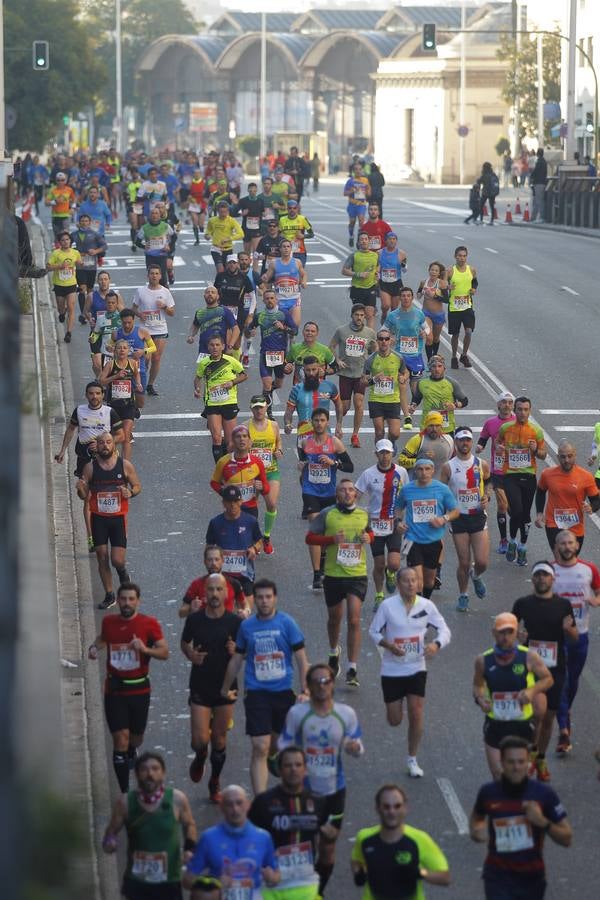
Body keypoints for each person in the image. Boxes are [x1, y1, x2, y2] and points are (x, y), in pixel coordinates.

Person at [278, 663, 365, 896]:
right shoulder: (298, 714)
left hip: (334, 790)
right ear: (308, 685)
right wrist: (295, 764)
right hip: (303, 791)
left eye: (326, 681)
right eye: (316, 682)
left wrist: (354, 747)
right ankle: (304, 891)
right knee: (304, 845)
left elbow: (358, 747)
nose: (321, 686)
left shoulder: (346, 714)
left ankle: (318, 891)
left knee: (328, 846)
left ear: (332, 684)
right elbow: (283, 744)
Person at [220, 579, 309, 795]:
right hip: (256, 692)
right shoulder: (247, 627)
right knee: (259, 745)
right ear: (256, 600)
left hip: (283, 692)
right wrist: (224, 688)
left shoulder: (287, 623)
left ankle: (273, 756)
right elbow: (236, 659)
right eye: (259, 597)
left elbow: (301, 660)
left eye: (268, 597)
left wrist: (306, 690)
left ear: (275, 598)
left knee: (278, 744)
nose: (264, 601)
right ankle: (261, 801)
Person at [369, 567, 451, 777]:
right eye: (406, 581)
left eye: (414, 580)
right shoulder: (388, 607)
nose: (411, 584)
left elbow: (444, 630)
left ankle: (412, 759)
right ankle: (399, 705)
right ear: (398, 584)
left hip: (416, 667)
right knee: (395, 719)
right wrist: (388, 646)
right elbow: (373, 631)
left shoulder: (427, 606)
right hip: (392, 669)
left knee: (416, 712)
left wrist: (436, 645)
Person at [470, 735, 572, 900]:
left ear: (529, 764)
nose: (516, 767)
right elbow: (476, 817)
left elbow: (567, 838)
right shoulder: (488, 793)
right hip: (497, 876)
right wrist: (477, 831)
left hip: (531, 878)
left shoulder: (544, 795)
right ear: (502, 763)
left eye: (521, 762)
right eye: (511, 762)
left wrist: (542, 822)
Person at [89, 584, 168, 792]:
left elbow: (164, 652)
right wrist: (94, 647)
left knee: (135, 737)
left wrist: (145, 649)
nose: (126, 603)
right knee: (119, 739)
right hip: (114, 689)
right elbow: (104, 639)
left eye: (131, 599)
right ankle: (124, 793)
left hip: (139, 689)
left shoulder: (148, 624)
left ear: (138, 601)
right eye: (123, 599)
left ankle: (133, 749)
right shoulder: (109, 622)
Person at [512, 561, 578, 782]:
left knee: (549, 717)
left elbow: (574, 636)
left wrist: (568, 630)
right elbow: (508, 631)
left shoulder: (563, 606)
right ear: (533, 579)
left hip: (556, 667)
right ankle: (530, 753)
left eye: (545, 575)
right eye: (538, 575)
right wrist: (517, 638)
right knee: (538, 711)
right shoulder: (523, 604)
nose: (541, 579)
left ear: (552, 579)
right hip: (531, 669)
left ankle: (539, 757)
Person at [180, 573, 242, 802]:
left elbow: (244, 654)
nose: (214, 594)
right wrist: (190, 655)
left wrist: (236, 650)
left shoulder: (235, 623)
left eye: (219, 590)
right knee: (199, 741)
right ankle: (199, 756)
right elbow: (184, 643)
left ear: (226, 593)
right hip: (201, 683)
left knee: (219, 740)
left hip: (226, 686)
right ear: (204, 593)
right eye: (211, 590)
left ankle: (215, 781)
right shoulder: (195, 620)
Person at [102, 751, 196, 900]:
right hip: (137, 882)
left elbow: (189, 824)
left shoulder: (177, 800)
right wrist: (110, 842)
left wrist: (190, 848)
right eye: (144, 769)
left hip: (169, 881)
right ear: (137, 774)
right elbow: (110, 832)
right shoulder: (125, 803)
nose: (150, 774)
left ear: (163, 773)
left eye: (155, 769)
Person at [306, 480, 372, 687]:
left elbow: (370, 533)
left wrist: (368, 537)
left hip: (357, 573)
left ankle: (352, 667)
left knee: (353, 619)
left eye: (351, 489)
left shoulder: (363, 514)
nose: (347, 493)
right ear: (337, 494)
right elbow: (310, 538)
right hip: (334, 574)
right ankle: (334, 652)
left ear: (355, 494)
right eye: (343, 490)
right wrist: (331, 540)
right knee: (335, 618)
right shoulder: (327, 514)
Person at [473, 612, 553, 780]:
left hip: (521, 724)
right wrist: (481, 700)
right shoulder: (483, 660)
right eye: (501, 632)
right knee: (498, 775)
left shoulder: (529, 656)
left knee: (519, 777)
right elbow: (477, 686)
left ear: (516, 633)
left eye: (510, 632)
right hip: (495, 723)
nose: (505, 637)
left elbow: (548, 679)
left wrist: (532, 691)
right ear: (493, 633)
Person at [249, 745, 333, 900]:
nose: (293, 769)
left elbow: (327, 849)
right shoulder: (263, 803)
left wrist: (321, 882)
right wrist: (261, 870)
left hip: (306, 884)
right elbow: (248, 843)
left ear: (306, 769)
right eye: (288, 765)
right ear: (279, 770)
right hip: (271, 885)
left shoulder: (319, 802)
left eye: (298, 765)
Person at [54, 380, 124, 551]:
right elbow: (71, 429)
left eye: (98, 393)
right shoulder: (79, 411)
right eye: (91, 394)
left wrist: (104, 443)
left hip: (107, 460)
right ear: (86, 395)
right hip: (85, 460)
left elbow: (121, 435)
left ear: (102, 395)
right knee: (87, 499)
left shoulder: (110, 412)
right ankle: (92, 538)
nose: (94, 397)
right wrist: (62, 450)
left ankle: (114, 532)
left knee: (110, 497)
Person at [77, 432, 141, 609]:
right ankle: (110, 594)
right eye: (101, 443)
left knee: (117, 560)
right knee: (102, 557)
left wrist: (131, 492)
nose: (105, 445)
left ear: (114, 445)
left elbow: (137, 486)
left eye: (108, 442)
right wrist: (81, 488)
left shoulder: (125, 466)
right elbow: (83, 496)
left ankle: (122, 573)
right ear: (97, 446)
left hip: (118, 519)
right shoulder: (90, 468)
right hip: (99, 518)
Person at [352, 784, 450, 898]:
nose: (392, 812)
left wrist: (419, 873)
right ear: (377, 809)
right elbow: (356, 860)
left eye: (397, 806)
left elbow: (445, 877)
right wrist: (360, 872)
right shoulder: (364, 838)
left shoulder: (420, 840)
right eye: (386, 807)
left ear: (405, 808)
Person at [551, 530, 600, 756]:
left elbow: (599, 592)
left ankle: (565, 712)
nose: (567, 546)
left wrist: (595, 600)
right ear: (556, 547)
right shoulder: (549, 571)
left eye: (571, 542)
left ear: (577, 546)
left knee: (572, 682)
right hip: (556, 638)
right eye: (563, 543)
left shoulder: (589, 570)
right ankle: (564, 730)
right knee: (561, 682)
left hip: (580, 636)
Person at [183, 785, 280, 893]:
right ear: (221, 807)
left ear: (248, 805)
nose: (235, 809)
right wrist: (214, 883)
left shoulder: (263, 837)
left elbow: (276, 875)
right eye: (229, 804)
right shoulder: (208, 838)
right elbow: (187, 881)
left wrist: (272, 877)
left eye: (239, 803)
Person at [299, 409, 354, 590]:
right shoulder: (305, 442)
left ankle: (324, 565)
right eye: (316, 420)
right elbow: (302, 462)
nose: (319, 423)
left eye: (322, 420)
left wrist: (334, 463)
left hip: (329, 493)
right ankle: (316, 574)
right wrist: (302, 465)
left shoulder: (335, 443)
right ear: (312, 422)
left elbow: (350, 467)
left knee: (329, 532)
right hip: (310, 491)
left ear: (327, 422)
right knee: (315, 529)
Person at [440, 427, 491, 612]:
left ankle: (476, 576)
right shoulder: (448, 467)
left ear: (471, 441)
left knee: (482, 561)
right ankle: (463, 594)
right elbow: (442, 491)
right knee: (464, 561)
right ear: (456, 442)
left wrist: (487, 496)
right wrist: (444, 513)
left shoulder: (481, 464)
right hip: (459, 518)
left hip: (477, 516)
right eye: (461, 440)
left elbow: (489, 481)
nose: (465, 443)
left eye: (468, 440)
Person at [395, 458, 459, 597]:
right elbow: (398, 508)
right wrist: (398, 522)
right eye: (420, 469)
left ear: (433, 470)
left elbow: (455, 511)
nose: (424, 473)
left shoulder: (442, 489)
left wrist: (443, 519)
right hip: (412, 540)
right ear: (415, 471)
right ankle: (418, 609)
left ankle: (426, 602)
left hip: (433, 540)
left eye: (427, 469)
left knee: (429, 581)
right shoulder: (407, 489)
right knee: (417, 581)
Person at [355, 439, 409, 606]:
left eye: (388, 452)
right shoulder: (368, 474)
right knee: (379, 564)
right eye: (382, 453)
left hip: (393, 522)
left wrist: (403, 519)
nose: (385, 456)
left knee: (393, 563)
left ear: (393, 453)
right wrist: (356, 518)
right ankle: (379, 594)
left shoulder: (401, 472)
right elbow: (356, 495)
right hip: (375, 524)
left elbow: (407, 495)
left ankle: (391, 573)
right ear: (376, 454)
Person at [498, 396, 546, 566]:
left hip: (529, 477)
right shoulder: (505, 428)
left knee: (525, 514)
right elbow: (498, 444)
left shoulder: (536, 431)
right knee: (516, 510)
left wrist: (535, 450)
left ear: (529, 411)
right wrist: (500, 449)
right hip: (510, 475)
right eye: (519, 409)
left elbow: (543, 454)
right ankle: (512, 541)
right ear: (514, 410)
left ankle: (523, 546)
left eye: (526, 409)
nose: (522, 412)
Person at [534, 440, 600, 550]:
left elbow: (596, 500)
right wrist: (539, 513)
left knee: (571, 559)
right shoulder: (547, 474)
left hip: (576, 527)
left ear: (575, 455)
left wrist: (591, 507)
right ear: (558, 457)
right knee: (561, 555)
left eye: (570, 456)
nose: (566, 460)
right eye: (563, 457)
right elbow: (540, 491)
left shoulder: (586, 477)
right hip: (553, 524)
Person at [329, 303, 377, 448]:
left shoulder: (370, 333)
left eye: (362, 315)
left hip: (361, 373)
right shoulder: (341, 331)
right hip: (345, 373)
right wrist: (337, 360)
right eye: (357, 315)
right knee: (345, 406)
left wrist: (371, 369)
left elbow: (374, 350)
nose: (359, 318)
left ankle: (355, 435)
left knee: (359, 402)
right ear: (352, 315)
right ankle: (338, 425)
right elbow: (331, 346)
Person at [205, 485, 263, 606]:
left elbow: (259, 540)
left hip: (245, 574)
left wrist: (254, 548)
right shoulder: (215, 523)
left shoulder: (250, 521)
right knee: (224, 613)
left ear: (241, 501)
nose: (233, 505)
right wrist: (212, 564)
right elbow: (209, 546)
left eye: (236, 501)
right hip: (222, 575)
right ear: (223, 503)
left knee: (245, 614)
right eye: (229, 501)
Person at [194, 335, 247, 462]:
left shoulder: (231, 360)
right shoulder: (204, 363)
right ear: (208, 347)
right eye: (212, 345)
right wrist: (197, 389)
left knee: (230, 442)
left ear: (223, 347)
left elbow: (244, 375)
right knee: (217, 438)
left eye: (218, 345)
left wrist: (233, 382)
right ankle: (220, 468)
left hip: (229, 402)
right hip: (212, 403)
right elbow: (197, 379)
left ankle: (229, 465)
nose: (215, 348)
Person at [244, 288, 297, 414]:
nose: (270, 300)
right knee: (267, 384)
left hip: (281, 354)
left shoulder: (283, 314)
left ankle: (267, 393)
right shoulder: (260, 316)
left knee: (278, 385)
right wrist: (250, 331)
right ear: (263, 300)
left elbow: (295, 331)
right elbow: (247, 330)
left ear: (276, 299)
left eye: (272, 298)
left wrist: (283, 327)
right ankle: (269, 413)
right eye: (267, 298)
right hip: (265, 354)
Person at [476, 391, 516, 554]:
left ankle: (514, 537)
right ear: (498, 405)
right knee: (502, 505)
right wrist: (479, 447)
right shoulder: (490, 423)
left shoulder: (518, 421)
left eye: (509, 403)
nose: (507, 405)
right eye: (504, 402)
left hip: (516, 470)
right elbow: (483, 439)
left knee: (515, 510)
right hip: (498, 470)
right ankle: (503, 540)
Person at [246, 395, 284, 555]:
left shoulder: (274, 425)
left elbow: (279, 441)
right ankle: (255, 539)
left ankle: (266, 536)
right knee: (250, 508)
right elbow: (234, 447)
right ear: (251, 409)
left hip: (270, 471)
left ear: (266, 407)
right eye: (255, 407)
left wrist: (279, 450)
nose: (258, 410)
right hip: (251, 474)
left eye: (261, 407)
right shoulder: (245, 427)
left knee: (271, 504)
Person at [132, 263, 176, 397]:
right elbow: (133, 308)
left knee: (156, 358)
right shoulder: (141, 291)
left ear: (160, 276)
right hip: (145, 331)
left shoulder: (165, 292)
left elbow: (172, 312)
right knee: (146, 357)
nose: (154, 276)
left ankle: (150, 384)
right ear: (148, 275)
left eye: (157, 274)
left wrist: (164, 307)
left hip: (160, 330)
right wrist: (140, 315)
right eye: (152, 273)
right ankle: (141, 382)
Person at [284, 357, 343, 452]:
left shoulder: (329, 386)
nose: (311, 373)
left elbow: (339, 405)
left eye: (313, 369)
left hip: (325, 435)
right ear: (303, 370)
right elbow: (289, 411)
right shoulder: (296, 389)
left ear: (319, 369)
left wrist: (339, 425)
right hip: (304, 436)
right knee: (305, 466)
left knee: (326, 463)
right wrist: (287, 424)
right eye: (308, 370)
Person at [363, 328, 411, 445]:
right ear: (377, 341)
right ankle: (380, 452)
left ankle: (390, 445)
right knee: (379, 433)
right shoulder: (370, 360)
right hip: (376, 399)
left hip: (393, 399)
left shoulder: (398, 357)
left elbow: (406, 372)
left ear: (390, 341)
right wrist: (374, 379)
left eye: (386, 339)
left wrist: (404, 378)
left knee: (395, 433)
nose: (384, 341)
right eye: (381, 339)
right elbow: (363, 381)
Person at [210, 423, 269, 518]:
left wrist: (262, 487)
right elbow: (214, 482)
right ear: (232, 441)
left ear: (249, 441)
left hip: (251, 508)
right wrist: (223, 491)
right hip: (232, 508)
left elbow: (266, 488)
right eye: (238, 436)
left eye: (245, 436)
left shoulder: (257, 462)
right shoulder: (223, 461)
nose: (242, 439)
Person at [100, 339, 143, 460]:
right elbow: (101, 381)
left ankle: (125, 465)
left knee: (126, 436)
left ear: (129, 350)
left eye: (125, 348)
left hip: (128, 404)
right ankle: (109, 458)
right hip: (113, 406)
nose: (122, 350)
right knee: (115, 436)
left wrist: (139, 384)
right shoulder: (110, 365)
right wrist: (116, 376)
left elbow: (136, 375)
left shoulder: (133, 363)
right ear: (115, 350)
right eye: (119, 348)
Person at [179, 545, 248, 619]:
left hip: (227, 628)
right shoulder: (196, 584)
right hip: (203, 628)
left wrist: (245, 612)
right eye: (210, 560)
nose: (213, 563)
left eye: (216, 559)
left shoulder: (233, 583)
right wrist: (190, 609)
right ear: (205, 562)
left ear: (222, 561)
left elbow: (245, 605)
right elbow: (181, 613)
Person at [385, 286, 429, 398]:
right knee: (400, 385)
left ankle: (411, 409)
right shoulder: (393, 315)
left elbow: (427, 328)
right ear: (400, 298)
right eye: (403, 296)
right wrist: (389, 337)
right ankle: (400, 411)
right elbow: (382, 331)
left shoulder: (419, 314)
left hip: (415, 356)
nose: (406, 298)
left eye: (408, 296)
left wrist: (425, 333)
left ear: (412, 298)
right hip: (400, 356)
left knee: (415, 390)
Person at [409, 354, 468, 434]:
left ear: (444, 368)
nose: (437, 369)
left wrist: (455, 405)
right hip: (427, 426)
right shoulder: (422, 382)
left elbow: (464, 401)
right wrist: (413, 405)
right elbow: (417, 397)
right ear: (429, 368)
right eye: (434, 366)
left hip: (446, 428)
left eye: (440, 366)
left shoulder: (451, 383)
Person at [113, 308, 156, 412]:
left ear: (134, 320)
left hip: (139, 371)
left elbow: (153, 348)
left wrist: (143, 351)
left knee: (140, 403)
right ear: (121, 321)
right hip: (121, 371)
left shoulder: (142, 332)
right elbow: (109, 345)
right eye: (124, 323)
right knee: (121, 400)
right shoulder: (116, 333)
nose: (127, 325)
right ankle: (127, 414)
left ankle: (133, 407)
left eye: (129, 322)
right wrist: (109, 347)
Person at [186, 285, 238, 362]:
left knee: (220, 373)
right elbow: (195, 326)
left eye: (213, 292)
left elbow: (236, 329)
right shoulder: (200, 312)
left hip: (220, 350)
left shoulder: (224, 311)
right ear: (204, 296)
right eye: (208, 292)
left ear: (217, 296)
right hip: (204, 350)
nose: (210, 294)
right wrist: (191, 336)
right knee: (204, 373)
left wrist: (230, 346)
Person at [262, 238, 307, 330]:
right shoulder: (274, 263)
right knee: (280, 327)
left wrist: (304, 282)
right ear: (280, 249)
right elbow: (266, 278)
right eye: (284, 247)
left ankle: (292, 342)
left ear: (291, 249)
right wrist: (263, 281)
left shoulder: (297, 262)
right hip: (279, 299)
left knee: (294, 327)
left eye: (288, 246)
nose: (286, 249)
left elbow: (304, 274)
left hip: (294, 298)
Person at [70, 213, 107, 323]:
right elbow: (67, 246)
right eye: (82, 221)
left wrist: (95, 251)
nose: (84, 223)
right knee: (82, 289)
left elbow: (104, 246)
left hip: (91, 266)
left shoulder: (95, 234)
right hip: (80, 266)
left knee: (90, 292)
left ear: (89, 222)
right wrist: (75, 253)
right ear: (79, 222)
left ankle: (88, 312)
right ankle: (82, 314)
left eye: (86, 221)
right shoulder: (74, 234)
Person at [446, 246, 478, 369]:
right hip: (454, 307)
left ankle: (464, 355)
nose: (462, 258)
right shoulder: (450, 271)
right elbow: (442, 284)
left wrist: (474, 289)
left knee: (469, 332)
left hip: (467, 306)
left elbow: (475, 281)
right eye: (459, 256)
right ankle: (454, 356)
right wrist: (448, 287)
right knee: (455, 334)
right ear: (455, 256)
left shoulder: (472, 269)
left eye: (464, 256)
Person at [46, 230, 81, 342]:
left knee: (71, 307)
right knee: (61, 307)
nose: (65, 242)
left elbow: (80, 261)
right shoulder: (56, 253)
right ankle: (62, 313)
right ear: (59, 242)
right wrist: (59, 266)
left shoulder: (75, 252)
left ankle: (69, 333)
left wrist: (81, 263)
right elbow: (48, 267)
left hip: (71, 284)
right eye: (63, 240)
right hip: (59, 284)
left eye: (67, 240)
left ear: (70, 241)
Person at [398, 411, 453, 480]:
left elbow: (452, 461)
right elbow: (401, 461)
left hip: (439, 485)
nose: (434, 429)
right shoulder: (417, 439)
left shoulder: (449, 440)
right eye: (431, 426)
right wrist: (420, 460)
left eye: (437, 425)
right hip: (418, 483)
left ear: (441, 426)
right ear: (426, 426)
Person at [341, 231, 379, 330]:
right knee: (359, 316)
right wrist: (358, 274)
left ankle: (370, 338)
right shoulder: (354, 255)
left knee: (370, 315)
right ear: (358, 242)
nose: (364, 241)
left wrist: (376, 273)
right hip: (357, 289)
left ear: (369, 241)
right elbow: (344, 271)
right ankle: (359, 336)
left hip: (371, 287)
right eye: (361, 239)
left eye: (366, 239)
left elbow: (378, 266)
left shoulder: (375, 255)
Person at [416, 262, 449, 361]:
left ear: (439, 273)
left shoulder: (441, 283)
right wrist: (421, 293)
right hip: (426, 314)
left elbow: (446, 300)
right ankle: (430, 359)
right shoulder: (423, 282)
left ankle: (435, 356)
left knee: (435, 338)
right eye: (432, 270)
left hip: (438, 314)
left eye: (436, 271)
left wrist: (434, 296)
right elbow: (418, 295)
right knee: (429, 337)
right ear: (429, 271)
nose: (433, 272)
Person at [136, 205, 174, 286]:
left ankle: (166, 294)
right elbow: (137, 242)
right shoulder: (145, 228)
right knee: (152, 278)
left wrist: (168, 245)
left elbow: (174, 236)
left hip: (162, 256)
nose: (154, 215)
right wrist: (144, 246)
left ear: (160, 215)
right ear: (150, 215)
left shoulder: (165, 226)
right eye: (152, 213)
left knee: (162, 278)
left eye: (156, 213)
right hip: (150, 256)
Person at [205, 200, 245, 273]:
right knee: (220, 270)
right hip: (216, 248)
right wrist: (207, 235)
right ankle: (219, 284)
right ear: (218, 211)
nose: (223, 214)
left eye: (225, 212)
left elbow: (241, 234)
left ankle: (223, 283)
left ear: (228, 211)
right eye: (221, 212)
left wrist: (229, 238)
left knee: (229, 271)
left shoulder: (231, 221)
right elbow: (208, 231)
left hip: (228, 249)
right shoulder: (212, 220)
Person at [377, 231, 406, 322]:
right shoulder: (380, 253)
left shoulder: (401, 253)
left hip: (396, 283)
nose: (392, 241)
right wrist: (376, 275)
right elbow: (376, 267)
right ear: (386, 241)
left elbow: (405, 270)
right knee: (386, 306)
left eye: (394, 239)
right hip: (384, 283)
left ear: (396, 241)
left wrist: (403, 265)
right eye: (390, 239)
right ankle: (384, 314)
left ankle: (391, 326)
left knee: (394, 308)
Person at [278, 199, 314, 266]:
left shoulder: (302, 219)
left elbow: (312, 234)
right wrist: (281, 237)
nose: (292, 210)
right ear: (287, 209)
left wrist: (303, 236)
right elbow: (278, 234)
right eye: (290, 208)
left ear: (297, 209)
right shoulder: (282, 220)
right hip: (286, 251)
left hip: (299, 251)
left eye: (294, 208)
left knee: (299, 271)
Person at [344, 162, 370, 246]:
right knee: (352, 222)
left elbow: (369, 193)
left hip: (361, 204)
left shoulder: (365, 180)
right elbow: (345, 193)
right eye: (356, 169)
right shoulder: (350, 181)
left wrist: (366, 190)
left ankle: (360, 240)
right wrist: (352, 190)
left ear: (362, 170)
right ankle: (351, 236)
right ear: (353, 171)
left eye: (359, 169)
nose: (358, 171)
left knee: (361, 222)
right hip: (352, 205)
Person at [45, 171, 76, 242]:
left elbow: (74, 199)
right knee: (57, 237)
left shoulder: (69, 189)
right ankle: (57, 252)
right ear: (56, 181)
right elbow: (46, 203)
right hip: (55, 216)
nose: (60, 182)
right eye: (58, 180)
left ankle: (66, 252)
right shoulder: (52, 190)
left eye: (62, 180)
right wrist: (54, 201)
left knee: (66, 236)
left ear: (65, 181)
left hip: (65, 216)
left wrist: (73, 208)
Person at [477, 161, 499, 225]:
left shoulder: (485, 174)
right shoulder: (493, 174)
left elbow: (479, 181)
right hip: (492, 193)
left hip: (485, 192)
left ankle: (481, 219)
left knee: (481, 205)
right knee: (492, 206)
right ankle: (492, 220)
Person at [530, 148, 548, 224]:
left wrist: (531, 176)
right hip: (542, 182)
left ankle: (542, 217)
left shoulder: (539, 162)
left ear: (538, 154)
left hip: (538, 183)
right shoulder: (544, 162)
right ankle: (533, 217)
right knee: (537, 200)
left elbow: (535, 172)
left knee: (539, 200)